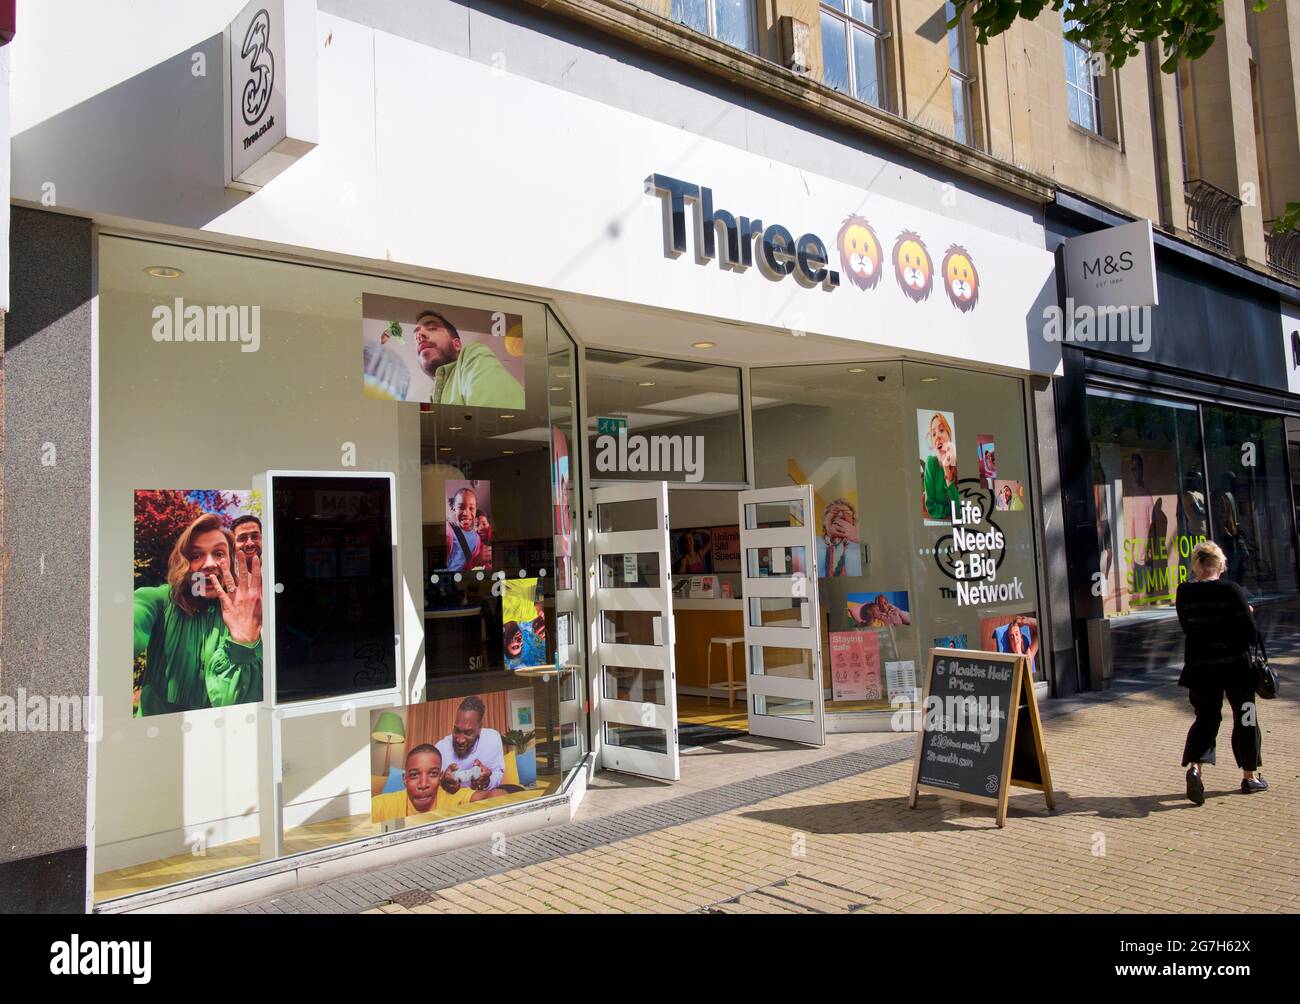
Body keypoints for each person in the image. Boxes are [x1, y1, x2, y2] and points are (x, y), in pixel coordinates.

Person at [133, 512, 263, 716]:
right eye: (196, 555)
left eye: (219, 554)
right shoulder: (157, 600)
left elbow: (244, 700)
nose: (209, 564)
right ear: (183, 562)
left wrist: (244, 645)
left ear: (230, 560)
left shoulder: (247, 614)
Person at [1176, 540, 1266, 804]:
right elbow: (1251, 632)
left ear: (1196, 564)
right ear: (1221, 564)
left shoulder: (1184, 592)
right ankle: (1250, 776)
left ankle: (1195, 767)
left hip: (1201, 667)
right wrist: (1247, 612)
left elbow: (1187, 627)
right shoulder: (1232, 590)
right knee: (1246, 716)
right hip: (1236, 666)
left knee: (1206, 718)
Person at [415, 309, 525, 410]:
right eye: (416, 336)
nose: (420, 335)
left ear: (457, 344)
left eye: (432, 328)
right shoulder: (432, 399)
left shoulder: (472, 354)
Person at [436, 696, 508, 799]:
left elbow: (498, 773)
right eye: (456, 731)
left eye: (468, 733)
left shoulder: (492, 738)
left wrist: (487, 782)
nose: (460, 740)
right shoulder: (440, 748)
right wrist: (443, 784)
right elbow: (431, 785)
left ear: (479, 729)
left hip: (482, 795)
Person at [921, 412, 959, 521]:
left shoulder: (958, 465)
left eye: (941, 430)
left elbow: (959, 512)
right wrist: (949, 510)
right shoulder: (931, 463)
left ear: (949, 435)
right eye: (933, 434)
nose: (937, 436)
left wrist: (947, 470)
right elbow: (931, 507)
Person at [446, 487, 490, 570]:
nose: (466, 513)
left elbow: (472, 563)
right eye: (461, 507)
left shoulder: (477, 538)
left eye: (471, 508)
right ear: (453, 508)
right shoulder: (449, 531)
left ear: (476, 509)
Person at [820, 498, 862, 577]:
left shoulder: (861, 545)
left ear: (853, 522)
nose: (840, 515)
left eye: (846, 513)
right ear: (825, 521)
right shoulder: (813, 544)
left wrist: (859, 537)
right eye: (834, 513)